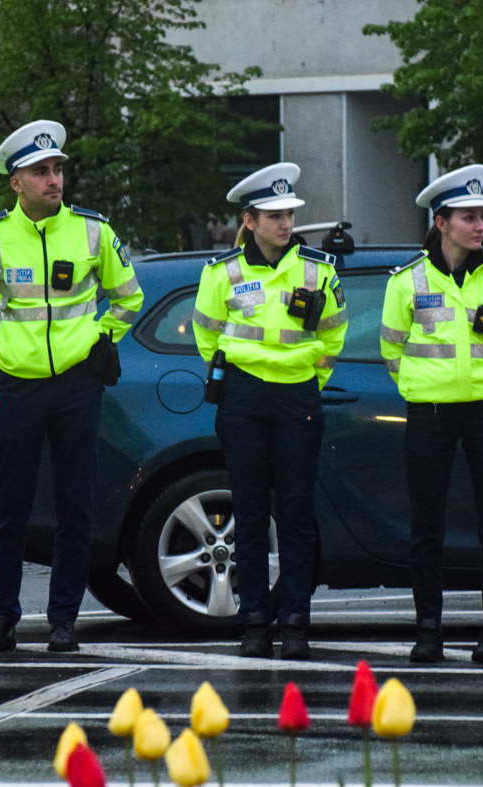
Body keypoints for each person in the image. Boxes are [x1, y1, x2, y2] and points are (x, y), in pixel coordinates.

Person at [0, 120, 143, 653]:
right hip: (18, 387)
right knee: (10, 505)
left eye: (57, 170)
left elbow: (129, 297)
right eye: (41, 172)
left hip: (77, 385)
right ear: (17, 183)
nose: (54, 180)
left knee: (76, 506)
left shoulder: (93, 231)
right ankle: (1, 617)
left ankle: (63, 621)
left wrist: (100, 337)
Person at [379, 164, 483, 665]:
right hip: (430, 413)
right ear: (441, 222)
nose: (480, 226)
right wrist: (421, 388)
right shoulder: (406, 282)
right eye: (469, 217)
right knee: (427, 528)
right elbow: (391, 350)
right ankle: (429, 632)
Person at [191, 163, 348, 660]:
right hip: (244, 398)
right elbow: (206, 337)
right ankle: (255, 622)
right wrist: (243, 377)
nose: (286, 223)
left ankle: (296, 622)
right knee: (251, 513)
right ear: (250, 220)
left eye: (290, 215)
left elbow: (334, 337)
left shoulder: (318, 270)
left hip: (298, 396)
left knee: (298, 514)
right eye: (275, 216)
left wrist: (307, 378)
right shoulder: (222, 272)